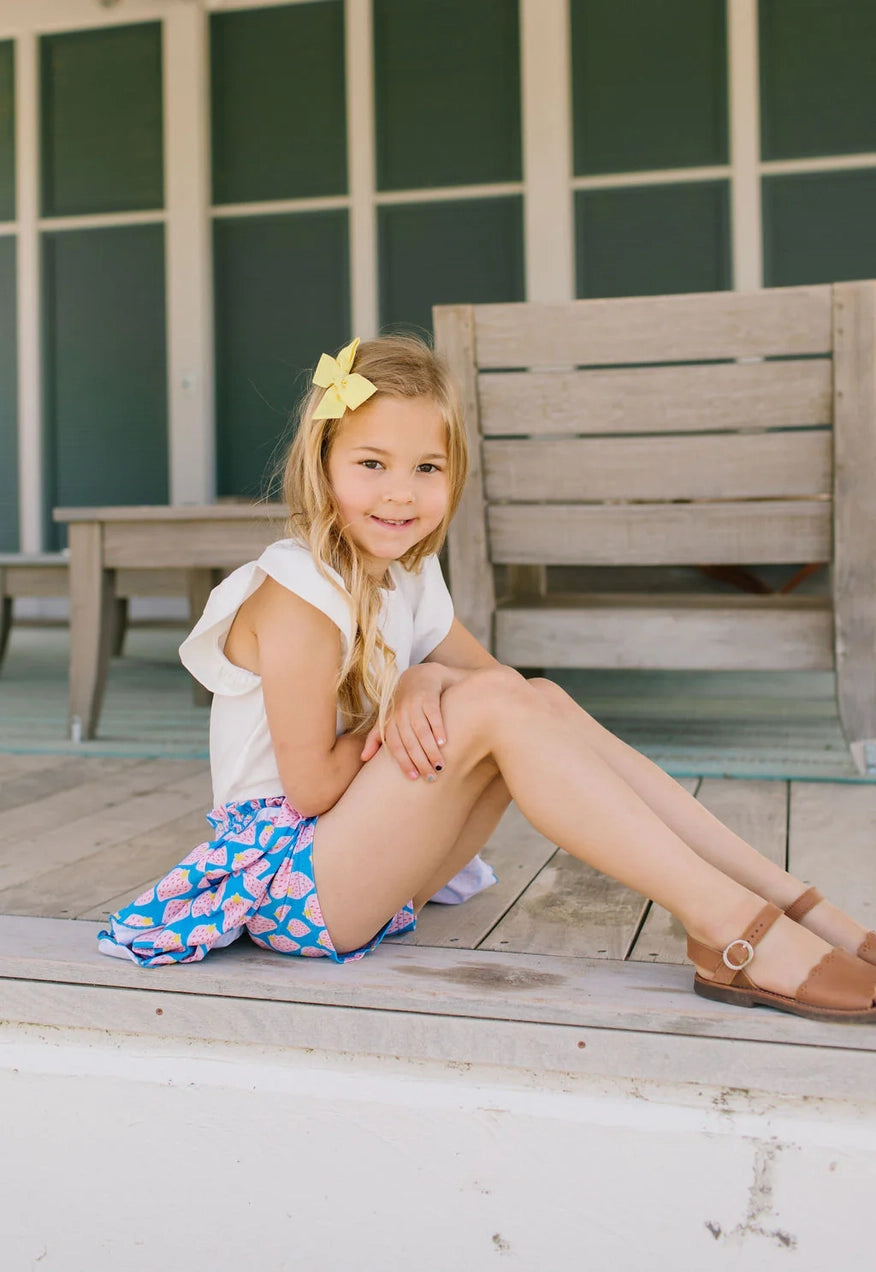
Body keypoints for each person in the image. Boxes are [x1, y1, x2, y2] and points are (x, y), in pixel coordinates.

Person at [98, 336, 876, 1022]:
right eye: (371, 465)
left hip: (365, 867)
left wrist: (425, 683)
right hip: (287, 883)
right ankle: (729, 925)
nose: (401, 493)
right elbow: (309, 789)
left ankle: (793, 905)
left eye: (426, 467)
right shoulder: (299, 594)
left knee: (543, 699)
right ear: (323, 464)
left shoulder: (406, 572)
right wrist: (419, 690)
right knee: (503, 705)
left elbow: (504, 691)